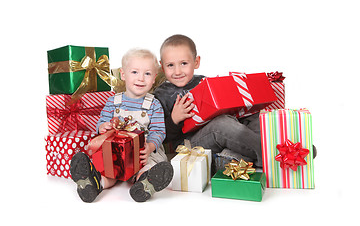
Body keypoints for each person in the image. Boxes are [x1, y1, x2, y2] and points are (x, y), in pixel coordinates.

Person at [70, 48, 173, 203]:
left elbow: (158, 131)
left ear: (154, 78)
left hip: (142, 153)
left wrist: (150, 147)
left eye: (147, 73)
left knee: (148, 165)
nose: (141, 78)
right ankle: (94, 183)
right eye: (135, 72)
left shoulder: (154, 104)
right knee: (108, 170)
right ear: (123, 74)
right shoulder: (113, 101)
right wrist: (103, 127)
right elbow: (101, 122)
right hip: (115, 153)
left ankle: (144, 183)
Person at [154, 34, 263, 173]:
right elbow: (158, 136)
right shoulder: (161, 95)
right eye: (170, 65)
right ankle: (266, 156)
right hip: (191, 144)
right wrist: (174, 120)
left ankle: (231, 158)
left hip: (222, 132)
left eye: (184, 63)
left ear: (196, 62)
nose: (177, 71)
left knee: (255, 115)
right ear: (162, 67)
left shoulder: (205, 82)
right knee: (221, 124)